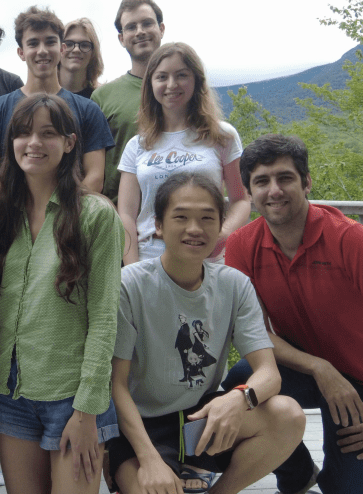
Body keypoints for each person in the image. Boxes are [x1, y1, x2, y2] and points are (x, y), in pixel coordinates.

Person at [222, 134, 363, 494]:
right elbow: (254, 334)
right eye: (262, 181)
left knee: (350, 488)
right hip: (307, 367)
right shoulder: (243, 244)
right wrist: (319, 368)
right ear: (248, 191)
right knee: (237, 389)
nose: (274, 190)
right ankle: (296, 471)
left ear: (306, 183)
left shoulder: (348, 239)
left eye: (285, 178)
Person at [108, 171, 306, 494]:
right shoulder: (131, 285)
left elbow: (269, 373)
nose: (195, 229)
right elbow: (117, 385)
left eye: (206, 218)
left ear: (220, 226)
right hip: (141, 427)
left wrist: (239, 399)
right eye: (181, 217)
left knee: (288, 416)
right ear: (158, 225)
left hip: (200, 417)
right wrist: (149, 459)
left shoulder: (234, 285)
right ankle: (123, 469)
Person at [0, 93, 123, 494]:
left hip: (72, 397)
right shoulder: (2, 215)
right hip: (9, 393)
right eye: (23, 133)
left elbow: (105, 316)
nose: (34, 143)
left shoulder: (95, 215)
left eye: (48, 133)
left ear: (70, 142)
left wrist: (87, 410)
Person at [117, 42, 249, 265]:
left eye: (181, 75)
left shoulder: (221, 135)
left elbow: (241, 199)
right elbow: (127, 214)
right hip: (151, 256)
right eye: (161, 77)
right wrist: (132, 267)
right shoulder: (137, 145)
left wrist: (222, 235)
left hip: (205, 256)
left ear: (196, 80)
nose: (171, 84)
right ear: (150, 84)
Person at [0, 6, 114, 205]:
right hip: (12, 224)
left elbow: (94, 176)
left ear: (62, 49)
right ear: (21, 52)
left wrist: (59, 217)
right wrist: (13, 218)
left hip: (70, 223)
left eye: (50, 42)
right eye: (33, 43)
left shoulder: (88, 110)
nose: (42, 51)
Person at [92, 0, 166, 203]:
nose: (140, 31)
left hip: (180, 216)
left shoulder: (184, 89)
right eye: (131, 27)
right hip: (118, 218)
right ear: (121, 38)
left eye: (147, 23)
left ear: (161, 29)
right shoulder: (102, 97)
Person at [58, 18, 104, 99]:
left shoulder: (101, 98)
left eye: (84, 45)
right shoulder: (42, 95)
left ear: (93, 52)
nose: (76, 50)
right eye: (68, 44)